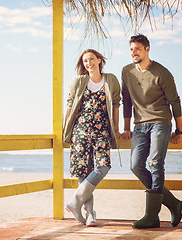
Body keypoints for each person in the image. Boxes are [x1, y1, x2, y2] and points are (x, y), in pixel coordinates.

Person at [121, 34, 182, 229]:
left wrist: (179, 130)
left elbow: (175, 102)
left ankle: (152, 216)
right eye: (131, 49)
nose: (134, 53)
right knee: (136, 165)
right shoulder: (126, 72)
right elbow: (127, 100)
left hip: (160, 122)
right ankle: (173, 203)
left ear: (147, 49)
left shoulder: (162, 73)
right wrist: (126, 127)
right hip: (139, 125)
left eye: (138, 49)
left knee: (156, 163)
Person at [63, 49, 121, 226]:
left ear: (99, 60)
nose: (89, 63)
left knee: (103, 167)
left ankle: (75, 202)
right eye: (85, 61)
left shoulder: (110, 80)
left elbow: (116, 105)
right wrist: (65, 129)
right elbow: (71, 106)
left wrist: (116, 129)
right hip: (80, 131)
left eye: (91, 59)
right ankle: (90, 214)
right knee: (83, 172)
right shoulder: (79, 81)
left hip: (102, 131)